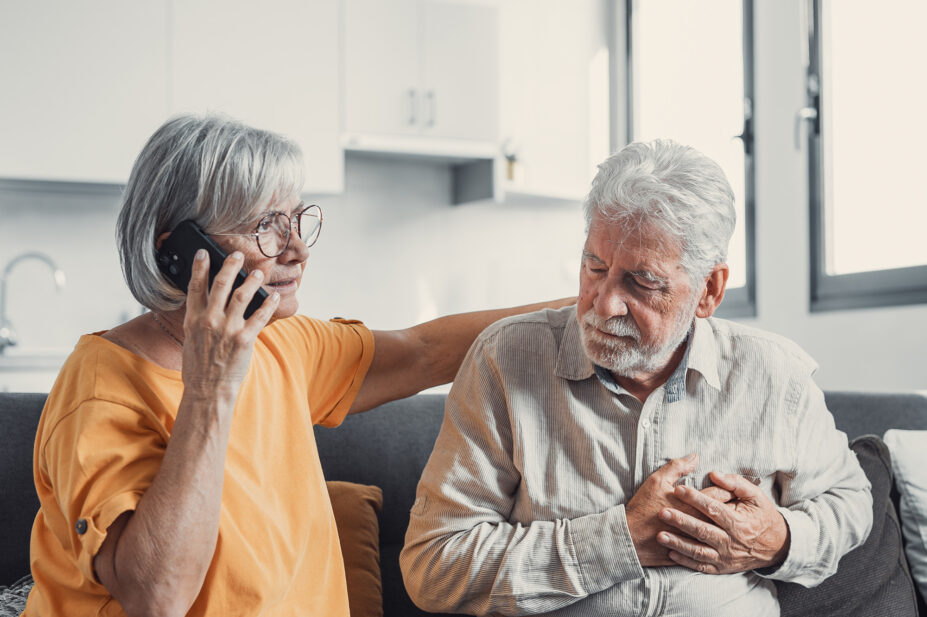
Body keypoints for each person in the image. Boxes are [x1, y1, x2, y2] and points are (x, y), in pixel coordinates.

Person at [22, 114, 574, 617]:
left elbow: (423, 350)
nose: (296, 250)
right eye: (265, 225)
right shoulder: (99, 389)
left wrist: (587, 309)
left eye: (295, 220)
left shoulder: (282, 344)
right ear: (179, 252)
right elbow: (157, 596)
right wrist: (211, 389)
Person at [400, 139, 873, 617]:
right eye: (594, 267)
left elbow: (850, 504)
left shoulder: (776, 374)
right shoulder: (504, 359)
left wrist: (779, 540)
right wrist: (618, 542)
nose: (603, 304)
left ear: (709, 290)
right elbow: (435, 566)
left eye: (642, 281)